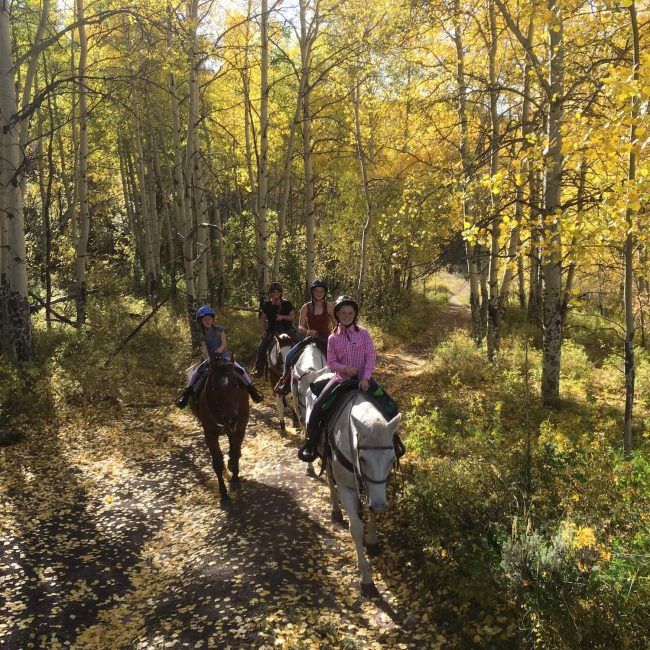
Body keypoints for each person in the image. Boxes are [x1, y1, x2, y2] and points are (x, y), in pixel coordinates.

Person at [298, 295, 376, 462]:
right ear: (337, 314)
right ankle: (311, 443)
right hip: (341, 380)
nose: (347, 315)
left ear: (355, 314)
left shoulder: (363, 333)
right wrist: (345, 369)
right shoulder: (333, 337)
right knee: (318, 406)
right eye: (343, 313)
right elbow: (332, 363)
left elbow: (371, 356)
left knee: (388, 404)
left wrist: (366, 378)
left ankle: (392, 442)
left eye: (350, 312)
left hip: (364, 380)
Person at [176, 305, 263, 408]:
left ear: (213, 319)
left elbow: (224, 342)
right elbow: (204, 348)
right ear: (201, 321)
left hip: (223, 357)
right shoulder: (202, 336)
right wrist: (208, 358)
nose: (207, 321)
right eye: (205, 319)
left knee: (241, 370)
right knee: (195, 373)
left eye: (209, 318)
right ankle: (185, 396)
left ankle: (253, 392)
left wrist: (220, 349)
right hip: (210, 359)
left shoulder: (220, 329)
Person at [273, 279, 335, 395]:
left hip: (327, 339)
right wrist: (308, 331)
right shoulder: (306, 307)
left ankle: (338, 384)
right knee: (290, 356)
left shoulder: (330, 306)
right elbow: (300, 327)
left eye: (321, 291)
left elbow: (336, 325)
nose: (319, 293)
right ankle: (284, 382)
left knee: (336, 362)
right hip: (311, 339)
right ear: (312, 292)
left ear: (324, 293)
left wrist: (333, 337)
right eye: (317, 291)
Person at [252, 282, 299, 376]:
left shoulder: (287, 304)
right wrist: (264, 330)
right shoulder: (267, 305)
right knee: (261, 346)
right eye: (273, 291)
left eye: (278, 291)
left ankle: (300, 366)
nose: (276, 293)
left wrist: (282, 317)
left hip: (288, 329)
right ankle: (258, 368)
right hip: (272, 330)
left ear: (281, 293)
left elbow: (292, 317)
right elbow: (263, 318)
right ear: (270, 293)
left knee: (300, 343)